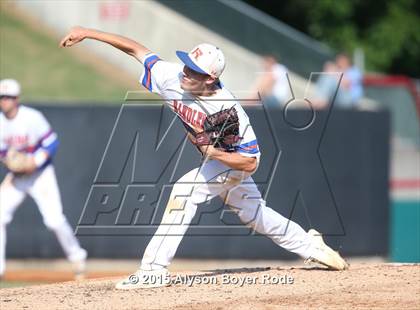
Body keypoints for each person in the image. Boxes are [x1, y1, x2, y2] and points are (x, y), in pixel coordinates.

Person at [60, 26, 348, 289]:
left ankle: (154, 270)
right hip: (217, 159)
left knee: (185, 191)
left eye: (194, 69)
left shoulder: (228, 110)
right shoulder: (171, 76)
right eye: (186, 64)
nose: (185, 72)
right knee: (254, 215)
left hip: (233, 161)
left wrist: (214, 152)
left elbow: (251, 162)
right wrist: (88, 32)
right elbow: (137, 50)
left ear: (211, 77)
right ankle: (311, 246)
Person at [0, 79, 87, 280]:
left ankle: (77, 258)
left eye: (8, 97)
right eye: (1, 97)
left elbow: (51, 143)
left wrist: (34, 162)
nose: (4, 101)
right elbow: (3, 152)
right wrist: (11, 162)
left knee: (54, 220)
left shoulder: (31, 117)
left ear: (17, 99)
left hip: (41, 175)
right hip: (18, 177)